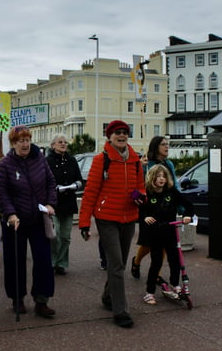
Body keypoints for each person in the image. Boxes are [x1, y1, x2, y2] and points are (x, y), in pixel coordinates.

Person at [79, 120, 145, 328]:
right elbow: (90, 192)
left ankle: (109, 296)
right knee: (116, 263)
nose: (122, 135)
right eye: (117, 132)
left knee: (121, 263)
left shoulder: (135, 161)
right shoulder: (102, 160)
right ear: (110, 136)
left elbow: (142, 187)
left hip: (128, 217)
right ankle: (120, 311)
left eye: (125, 132)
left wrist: (140, 196)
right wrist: (84, 223)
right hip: (106, 217)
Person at [0, 125, 58, 318]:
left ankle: (41, 300)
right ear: (13, 144)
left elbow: (50, 183)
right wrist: (10, 213)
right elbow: (1, 192)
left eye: (27, 140)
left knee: (43, 260)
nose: (25, 144)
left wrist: (50, 203)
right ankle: (17, 298)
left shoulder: (40, 159)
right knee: (15, 260)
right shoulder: (6, 164)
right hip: (15, 221)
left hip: (38, 218)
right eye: (20, 141)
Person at [139, 164, 193, 305]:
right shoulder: (147, 193)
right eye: (158, 176)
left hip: (170, 230)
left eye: (164, 176)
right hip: (155, 232)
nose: (162, 179)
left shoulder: (171, 192)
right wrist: (144, 217)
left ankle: (175, 284)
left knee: (174, 259)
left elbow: (187, 204)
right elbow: (139, 209)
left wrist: (187, 215)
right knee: (156, 262)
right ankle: (149, 292)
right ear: (152, 178)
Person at [131, 136, 178, 280]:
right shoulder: (146, 164)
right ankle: (136, 261)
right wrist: (139, 167)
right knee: (148, 243)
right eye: (163, 144)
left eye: (167, 144)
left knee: (163, 242)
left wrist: (179, 205)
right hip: (151, 208)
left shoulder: (169, 164)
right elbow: (136, 184)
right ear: (156, 147)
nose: (167, 147)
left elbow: (173, 185)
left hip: (166, 208)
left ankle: (156, 273)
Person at [45, 133, 83, 276]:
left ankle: (61, 263)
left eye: (65, 142)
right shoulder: (47, 161)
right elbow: (44, 181)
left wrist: (74, 185)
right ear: (53, 145)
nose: (63, 144)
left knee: (66, 236)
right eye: (60, 142)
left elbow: (79, 180)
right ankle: (52, 262)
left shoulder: (72, 160)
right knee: (55, 235)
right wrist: (54, 188)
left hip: (68, 203)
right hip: (53, 203)